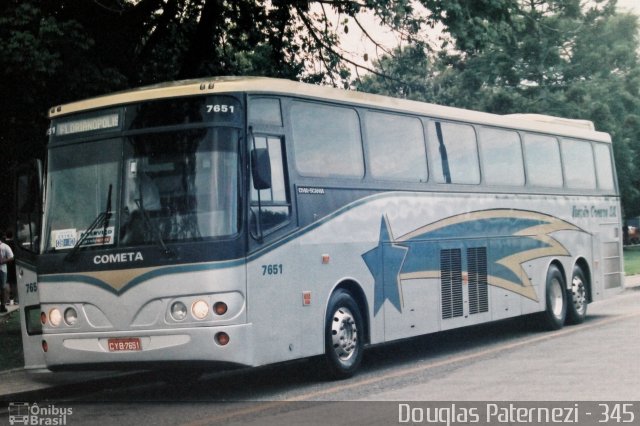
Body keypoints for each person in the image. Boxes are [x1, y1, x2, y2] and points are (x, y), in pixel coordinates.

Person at [0, 233, 15, 313]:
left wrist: (3, 261)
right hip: (3, 269)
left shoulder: (5, 246)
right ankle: (2, 305)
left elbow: (11, 257)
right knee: (3, 288)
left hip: (2, 269)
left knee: (3, 288)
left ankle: (2, 305)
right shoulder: (5, 246)